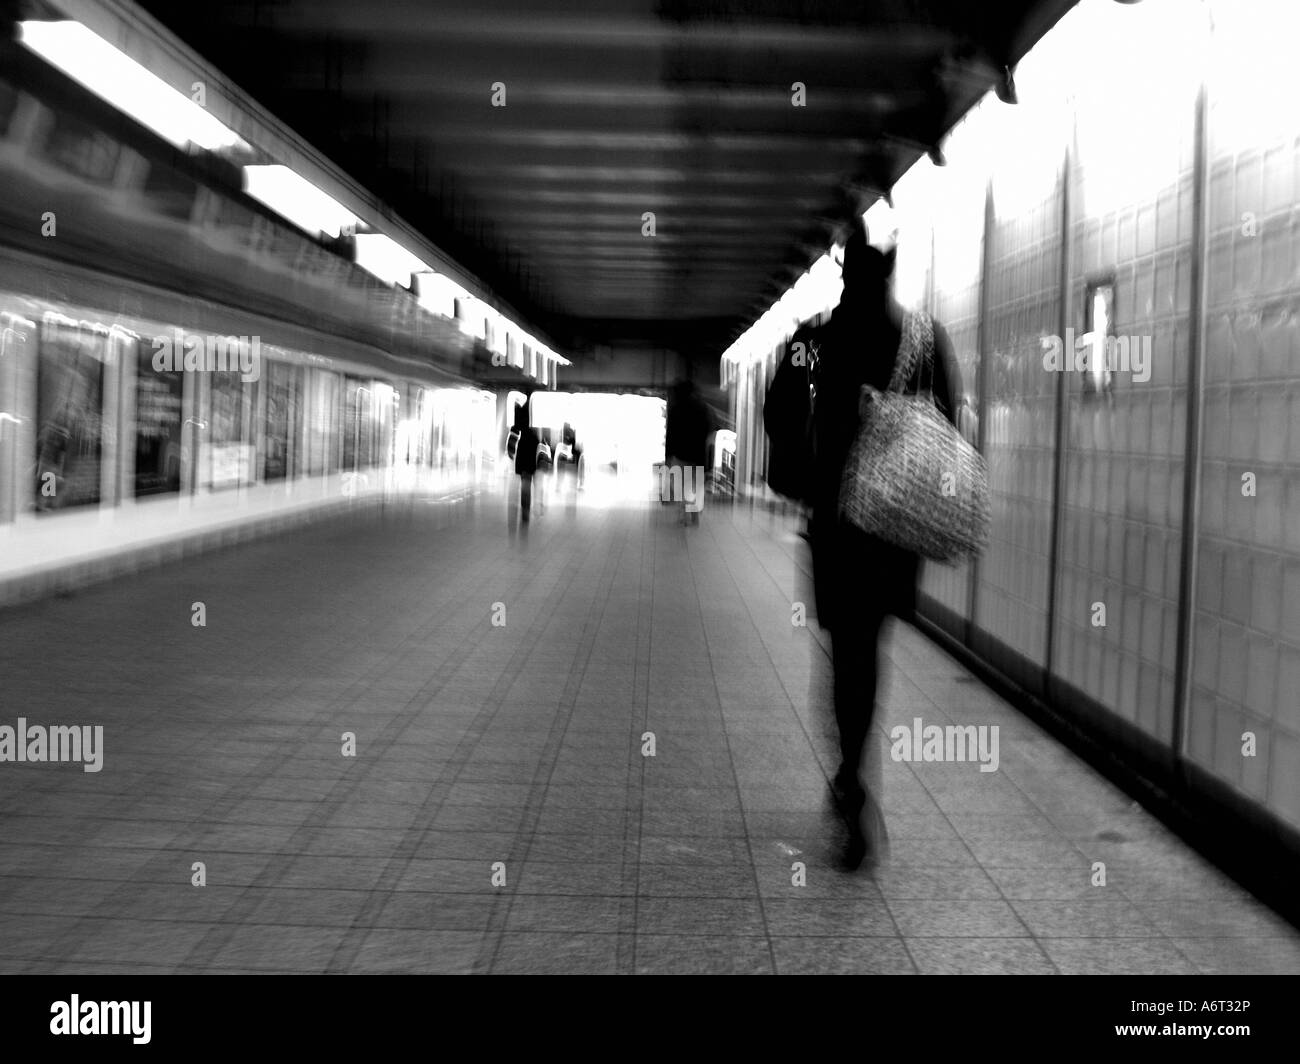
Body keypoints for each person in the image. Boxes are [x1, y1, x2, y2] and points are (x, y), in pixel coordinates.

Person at [810, 225, 962, 870]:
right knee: (869, 653)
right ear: (892, 276)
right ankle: (851, 772)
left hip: (843, 530)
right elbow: (951, 429)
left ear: (850, 278)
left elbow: (815, 438)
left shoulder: (834, 337)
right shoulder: (928, 341)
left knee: (844, 659)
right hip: (897, 537)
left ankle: (850, 771)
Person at [664, 377, 710, 524]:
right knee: (695, 485)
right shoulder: (702, 408)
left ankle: (684, 517)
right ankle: (695, 516)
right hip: (698, 455)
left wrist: (668, 456)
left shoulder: (676, 409)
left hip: (680, 454)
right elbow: (707, 431)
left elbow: (671, 435)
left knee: (681, 486)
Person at [512, 400, 540, 522]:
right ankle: (526, 512)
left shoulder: (521, 435)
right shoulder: (533, 436)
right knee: (526, 489)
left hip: (524, 467)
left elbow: (517, 453)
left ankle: (525, 512)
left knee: (525, 489)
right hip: (530, 467)